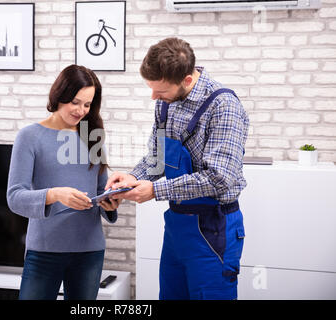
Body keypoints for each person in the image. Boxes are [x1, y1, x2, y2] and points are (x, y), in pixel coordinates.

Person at [106, 38, 250, 300]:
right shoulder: (164, 104)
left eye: (160, 91)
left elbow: (219, 179)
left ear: (186, 80)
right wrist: (133, 177)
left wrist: (155, 190)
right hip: (176, 227)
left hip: (213, 229)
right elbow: (157, 157)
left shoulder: (223, 106)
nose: (154, 97)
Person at [7, 64, 121, 300]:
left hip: (89, 250)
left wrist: (110, 202)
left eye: (87, 105)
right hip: (44, 250)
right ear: (60, 95)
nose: (81, 110)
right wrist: (55, 194)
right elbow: (15, 197)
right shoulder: (29, 137)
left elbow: (100, 190)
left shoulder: (93, 137)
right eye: (75, 102)